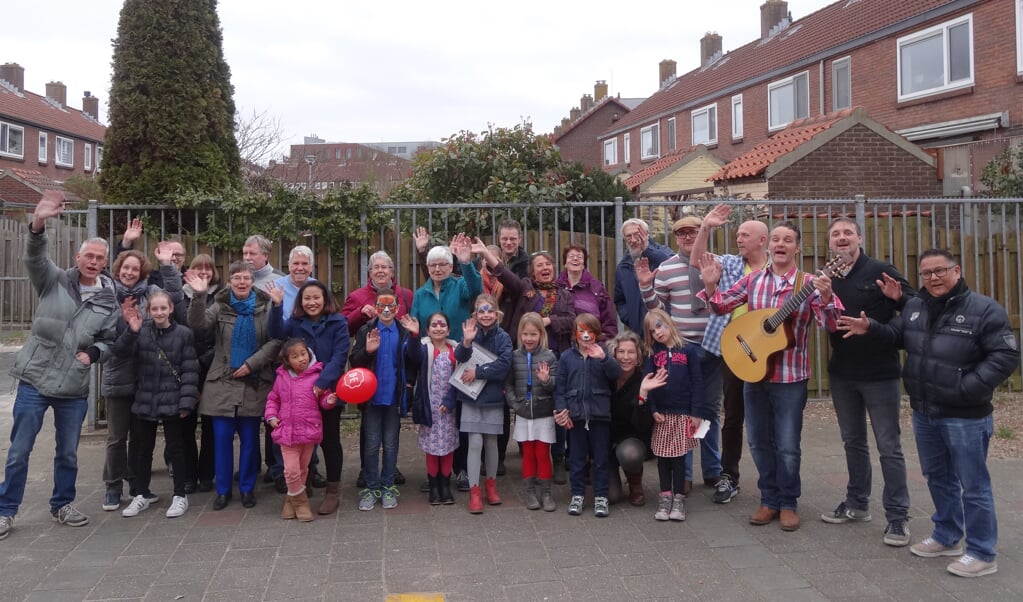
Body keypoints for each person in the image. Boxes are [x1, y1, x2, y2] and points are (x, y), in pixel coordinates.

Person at [838, 249, 1019, 578]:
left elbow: (1005, 356)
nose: (934, 278)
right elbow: (899, 335)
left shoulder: (983, 309)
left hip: (965, 415)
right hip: (925, 411)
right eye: (926, 273)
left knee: (973, 484)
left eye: (941, 271)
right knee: (938, 478)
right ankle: (947, 536)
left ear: (957, 270)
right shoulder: (916, 307)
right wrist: (872, 328)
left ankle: (981, 552)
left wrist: (968, 388)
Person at [697, 221, 843, 532]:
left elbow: (831, 325)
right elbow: (720, 307)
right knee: (759, 441)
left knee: (788, 444)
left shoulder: (810, 283)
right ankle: (769, 499)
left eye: (787, 240)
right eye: (776, 238)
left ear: (796, 247)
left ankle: (789, 502)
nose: (780, 244)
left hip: (790, 377)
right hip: (754, 373)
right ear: (769, 245)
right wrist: (711, 286)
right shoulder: (753, 281)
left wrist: (828, 297)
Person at [0, 190, 120, 540]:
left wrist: (94, 354)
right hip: (35, 380)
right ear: (77, 256)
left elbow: (111, 340)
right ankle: (6, 510)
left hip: (73, 387)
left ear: (104, 262)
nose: (93, 261)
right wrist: (37, 224)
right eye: (88, 256)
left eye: (100, 258)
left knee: (67, 452)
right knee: (20, 450)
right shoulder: (53, 280)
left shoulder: (108, 298)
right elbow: (34, 257)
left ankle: (62, 504)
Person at [821, 217, 914, 547]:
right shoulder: (828, 277)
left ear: (859, 237)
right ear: (829, 243)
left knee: (889, 447)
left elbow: (916, 308)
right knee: (852, 442)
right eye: (836, 235)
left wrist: (898, 299)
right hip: (843, 373)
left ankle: (898, 517)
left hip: (880, 374)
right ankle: (858, 503)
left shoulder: (880, 270)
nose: (842, 238)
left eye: (848, 232)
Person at [689, 204, 770, 505]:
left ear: (763, 240)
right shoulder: (733, 266)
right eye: (737, 234)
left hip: (769, 352)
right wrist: (706, 227)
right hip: (734, 351)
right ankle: (728, 476)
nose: (739, 239)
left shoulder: (777, 271)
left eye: (745, 235)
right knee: (733, 414)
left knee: (769, 416)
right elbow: (698, 260)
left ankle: (772, 478)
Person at [637, 215, 723, 497]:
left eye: (693, 232)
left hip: (713, 347)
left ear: (702, 234)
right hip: (681, 350)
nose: (688, 238)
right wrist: (646, 286)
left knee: (708, 410)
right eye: (682, 233)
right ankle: (682, 476)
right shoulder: (666, 269)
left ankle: (712, 470)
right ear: (676, 238)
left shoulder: (717, 263)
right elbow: (656, 311)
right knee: (682, 413)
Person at [185, 261, 281, 511]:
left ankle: (248, 489)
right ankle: (223, 490)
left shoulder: (265, 307)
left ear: (252, 281)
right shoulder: (219, 306)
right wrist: (199, 295)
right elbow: (197, 326)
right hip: (222, 382)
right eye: (236, 278)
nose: (241, 282)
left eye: (246, 278)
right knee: (222, 439)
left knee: (250, 441)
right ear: (230, 281)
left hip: (254, 381)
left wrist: (252, 364)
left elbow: (275, 341)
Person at [101, 244, 183, 512]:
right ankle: (113, 487)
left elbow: (174, 297)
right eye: (126, 267)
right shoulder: (108, 293)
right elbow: (111, 346)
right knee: (116, 437)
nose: (130, 272)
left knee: (139, 438)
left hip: (145, 377)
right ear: (118, 269)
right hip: (120, 375)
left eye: (135, 269)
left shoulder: (149, 293)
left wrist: (168, 265)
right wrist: (131, 330)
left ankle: (139, 488)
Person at [268, 280, 350, 514]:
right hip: (298, 394)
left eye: (316, 297)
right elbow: (275, 334)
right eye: (307, 298)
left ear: (325, 299)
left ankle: (332, 492)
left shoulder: (339, 322)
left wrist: (322, 382)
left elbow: (340, 355)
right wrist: (276, 305)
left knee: (329, 441)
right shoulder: (295, 323)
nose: (312, 302)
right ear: (300, 301)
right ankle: (299, 489)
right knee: (301, 442)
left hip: (328, 391)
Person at [116, 291, 199, 519]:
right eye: (155, 309)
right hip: (146, 398)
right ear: (148, 311)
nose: (159, 313)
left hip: (173, 399)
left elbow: (190, 370)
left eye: (164, 308)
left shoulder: (183, 334)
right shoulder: (140, 332)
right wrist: (130, 331)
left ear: (171, 309)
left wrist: (186, 402)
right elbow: (120, 354)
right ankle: (141, 493)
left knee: (176, 449)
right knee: (143, 450)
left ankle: (180, 495)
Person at [411, 235, 482, 491]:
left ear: (450, 266)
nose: (438, 269)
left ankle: (460, 470)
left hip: (458, 355)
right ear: (428, 268)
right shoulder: (421, 293)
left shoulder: (460, 284)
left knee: (458, 415)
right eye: (433, 265)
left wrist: (466, 262)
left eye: (443, 264)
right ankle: (435, 474)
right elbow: (417, 325)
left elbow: (476, 290)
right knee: (434, 416)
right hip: (431, 359)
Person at [341, 250, 412, 490]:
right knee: (370, 435)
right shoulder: (357, 296)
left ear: (392, 272)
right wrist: (358, 314)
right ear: (369, 272)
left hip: (394, 382)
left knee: (391, 437)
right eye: (376, 267)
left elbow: (412, 344)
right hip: (370, 383)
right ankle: (367, 471)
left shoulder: (406, 295)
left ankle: (390, 473)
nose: (380, 271)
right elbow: (344, 327)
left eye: (385, 267)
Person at [641, 309, 708, 522]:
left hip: (682, 414)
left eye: (659, 326)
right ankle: (665, 496)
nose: (658, 333)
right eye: (652, 331)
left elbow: (698, 382)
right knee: (662, 458)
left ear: (669, 323)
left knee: (679, 458)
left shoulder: (688, 351)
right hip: (662, 415)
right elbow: (647, 383)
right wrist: (652, 410)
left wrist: (696, 412)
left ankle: (679, 498)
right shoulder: (653, 355)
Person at [350, 288, 414, 511]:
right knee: (370, 445)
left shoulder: (404, 332)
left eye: (391, 306)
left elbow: (414, 361)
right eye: (381, 305)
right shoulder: (366, 329)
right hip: (372, 399)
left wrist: (415, 337)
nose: (386, 310)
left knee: (391, 444)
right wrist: (367, 352)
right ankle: (370, 487)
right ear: (375, 307)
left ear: (398, 308)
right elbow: (354, 362)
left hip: (394, 399)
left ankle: (388, 486)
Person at [554, 313, 622, 518]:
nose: (585, 335)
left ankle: (601, 496)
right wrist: (561, 408)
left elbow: (615, 374)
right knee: (575, 458)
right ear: (575, 334)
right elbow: (560, 388)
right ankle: (577, 494)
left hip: (599, 415)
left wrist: (604, 359)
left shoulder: (603, 354)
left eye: (589, 331)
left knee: (600, 458)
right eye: (581, 331)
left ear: (597, 334)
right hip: (575, 416)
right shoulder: (566, 357)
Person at [265, 338, 339, 522]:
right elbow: (273, 399)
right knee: (290, 470)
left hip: (309, 431)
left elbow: (323, 398)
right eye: (295, 356)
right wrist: (271, 416)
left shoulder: (317, 375)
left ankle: (290, 502)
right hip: (287, 432)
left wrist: (329, 401)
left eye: (303, 354)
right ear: (287, 360)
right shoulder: (281, 377)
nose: (301, 359)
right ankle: (301, 503)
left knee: (303, 469)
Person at [455, 294, 513, 514]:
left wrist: (478, 372)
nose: (486, 315)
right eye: (481, 311)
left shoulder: (504, 337)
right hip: (471, 397)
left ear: (497, 313)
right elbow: (459, 357)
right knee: (475, 442)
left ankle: (491, 486)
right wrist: (467, 341)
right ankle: (475, 491)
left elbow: (503, 365)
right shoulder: (471, 332)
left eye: (490, 311)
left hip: (493, 397)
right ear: (475, 314)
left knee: (491, 443)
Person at [505, 312, 558, 512]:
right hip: (523, 413)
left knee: (543, 454)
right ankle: (529, 492)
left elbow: (556, 385)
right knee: (527, 454)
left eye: (533, 334)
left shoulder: (549, 356)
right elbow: (508, 384)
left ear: (541, 334)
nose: (529, 338)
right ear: (520, 334)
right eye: (525, 334)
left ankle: (546, 492)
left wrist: (546, 380)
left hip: (544, 413)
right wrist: (514, 404)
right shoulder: (514, 356)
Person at [405, 312, 460, 505]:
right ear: (428, 330)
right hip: (430, 408)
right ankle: (434, 485)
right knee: (432, 449)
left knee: (447, 449)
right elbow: (412, 356)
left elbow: (460, 378)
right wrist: (413, 336)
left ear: (448, 329)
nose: (438, 328)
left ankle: (445, 485)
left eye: (442, 324)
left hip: (449, 410)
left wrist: (451, 401)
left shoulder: (455, 350)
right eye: (434, 325)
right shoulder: (423, 349)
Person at [178, 254, 221, 493]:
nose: (204, 271)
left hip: (212, 368)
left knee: (210, 425)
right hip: (184, 370)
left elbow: (223, 335)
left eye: (208, 267)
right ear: (189, 271)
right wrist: (189, 363)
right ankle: (187, 475)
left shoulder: (222, 296)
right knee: (185, 425)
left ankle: (207, 474)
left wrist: (202, 361)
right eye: (198, 267)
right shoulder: (179, 297)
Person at [607, 332, 654, 506]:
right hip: (605, 439)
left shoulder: (645, 379)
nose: (625, 357)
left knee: (630, 454)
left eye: (631, 352)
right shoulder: (605, 375)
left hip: (633, 438)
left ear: (639, 355)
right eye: (621, 352)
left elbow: (643, 425)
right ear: (614, 353)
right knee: (611, 497)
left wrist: (641, 397)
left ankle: (635, 482)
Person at [614, 218, 672, 334]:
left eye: (637, 234)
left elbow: (672, 265)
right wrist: (630, 319)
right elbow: (620, 301)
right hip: (639, 331)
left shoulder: (663, 253)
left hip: (667, 329)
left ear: (647, 234)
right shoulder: (623, 267)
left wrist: (646, 249)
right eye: (628, 236)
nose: (633, 240)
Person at [557, 244, 617, 341]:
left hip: (591, 344)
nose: (575, 259)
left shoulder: (597, 288)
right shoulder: (555, 287)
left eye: (579, 257)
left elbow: (609, 322)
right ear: (565, 263)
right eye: (571, 256)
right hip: (562, 346)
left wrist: (604, 344)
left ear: (584, 264)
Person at [274, 245, 316, 316]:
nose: (300, 268)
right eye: (296, 263)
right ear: (289, 266)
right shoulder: (277, 287)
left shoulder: (317, 287)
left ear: (311, 267)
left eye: (304, 264)